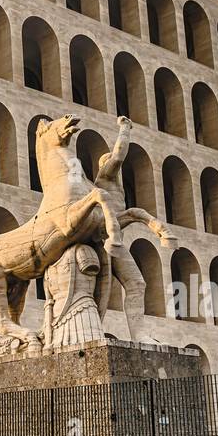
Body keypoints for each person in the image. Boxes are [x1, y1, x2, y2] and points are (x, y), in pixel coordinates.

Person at [94, 116, 170, 339]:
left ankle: (138, 334)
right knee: (99, 294)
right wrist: (125, 129)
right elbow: (118, 155)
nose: (114, 164)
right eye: (108, 162)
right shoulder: (104, 178)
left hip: (116, 244)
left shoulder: (117, 187)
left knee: (137, 283)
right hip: (103, 243)